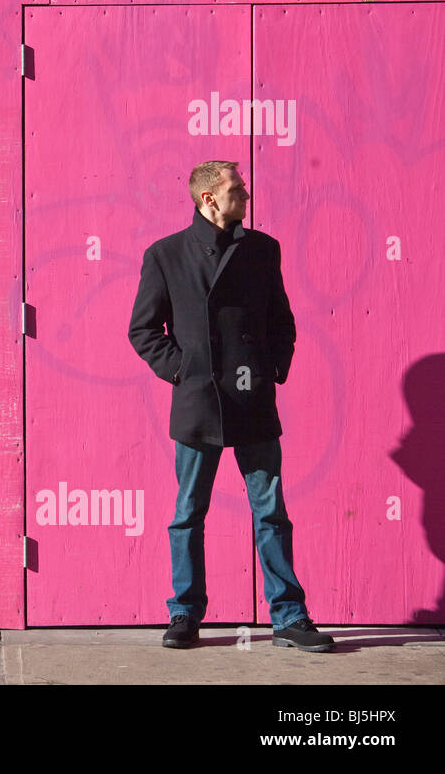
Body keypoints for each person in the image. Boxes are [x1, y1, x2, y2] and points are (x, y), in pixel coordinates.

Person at [127, 161, 335, 653]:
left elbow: (282, 321)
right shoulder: (166, 255)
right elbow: (142, 330)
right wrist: (184, 371)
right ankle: (184, 614)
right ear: (209, 200)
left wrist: (272, 369)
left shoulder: (263, 250)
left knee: (271, 512)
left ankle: (288, 616)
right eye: (237, 190)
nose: (247, 196)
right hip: (199, 403)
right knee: (188, 513)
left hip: (253, 400)